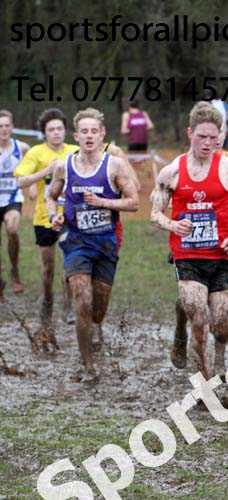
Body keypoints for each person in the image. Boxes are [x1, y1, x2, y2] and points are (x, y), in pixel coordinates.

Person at [150, 102, 228, 382]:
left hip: (222, 257)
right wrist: (174, 225)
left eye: (213, 137)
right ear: (189, 133)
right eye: (202, 136)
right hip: (188, 257)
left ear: (220, 135)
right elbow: (154, 214)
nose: (208, 143)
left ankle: (219, 358)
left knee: (222, 325)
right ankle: (206, 385)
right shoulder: (171, 172)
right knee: (200, 321)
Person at [47, 108, 139, 381]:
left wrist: (104, 203)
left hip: (105, 243)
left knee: (98, 307)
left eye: (93, 131)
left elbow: (134, 203)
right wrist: (54, 215)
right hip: (75, 241)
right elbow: (51, 196)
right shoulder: (64, 165)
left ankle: (96, 328)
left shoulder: (115, 165)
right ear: (76, 136)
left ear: (102, 135)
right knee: (83, 302)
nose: (88, 136)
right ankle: (86, 364)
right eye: (83, 132)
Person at [14, 108, 79, 346]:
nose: (56, 133)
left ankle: (68, 306)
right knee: (48, 268)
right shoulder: (35, 153)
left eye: (59, 129)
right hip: (44, 218)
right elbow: (21, 180)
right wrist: (46, 171)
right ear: (44, 133)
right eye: (51, 130)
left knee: (69, 266)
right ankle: (48, 300)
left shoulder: (75, 151)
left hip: (70, 218)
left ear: (65, 131)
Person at [0, 110, 30, 300]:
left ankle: (15, 270)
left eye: (6, 125)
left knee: (12, 229)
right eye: (0, 126)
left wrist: (33, 185)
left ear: (12, 127)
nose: (3, 129)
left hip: (12, 198)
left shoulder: (23, 147)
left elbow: (33, 165)